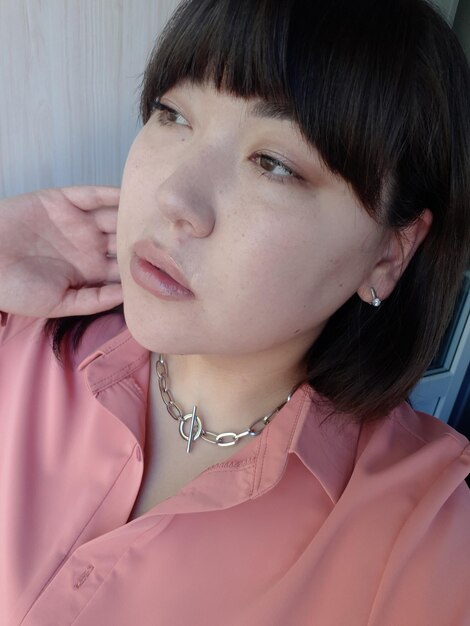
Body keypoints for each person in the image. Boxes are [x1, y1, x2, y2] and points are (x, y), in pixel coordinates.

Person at [1, 0, 469, 624]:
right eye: (173, 114)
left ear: (390, 251)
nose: (175, 196)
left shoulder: (419, 532)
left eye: (273, 164)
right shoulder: (25, 336)